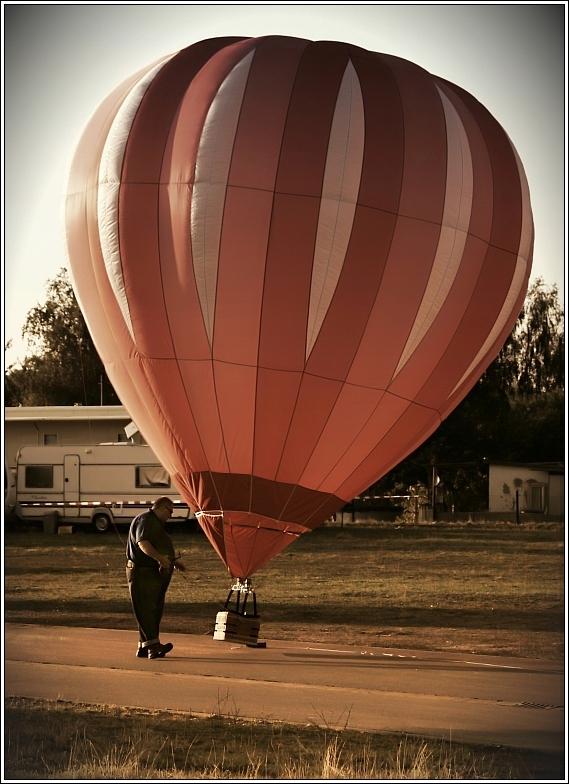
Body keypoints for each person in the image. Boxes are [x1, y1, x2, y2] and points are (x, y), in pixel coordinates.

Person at [126, 496, 186, 659]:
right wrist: (160, 558)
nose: (170, 515)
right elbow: (143, 544)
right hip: (143, 572)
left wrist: (174, 562)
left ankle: (145, 646)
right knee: (147, 609)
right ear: (162, 508)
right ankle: (153, 645)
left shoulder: (154, 523)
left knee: (152, 609)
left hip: (152, 573)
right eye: (170, 511)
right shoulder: (146, 520)